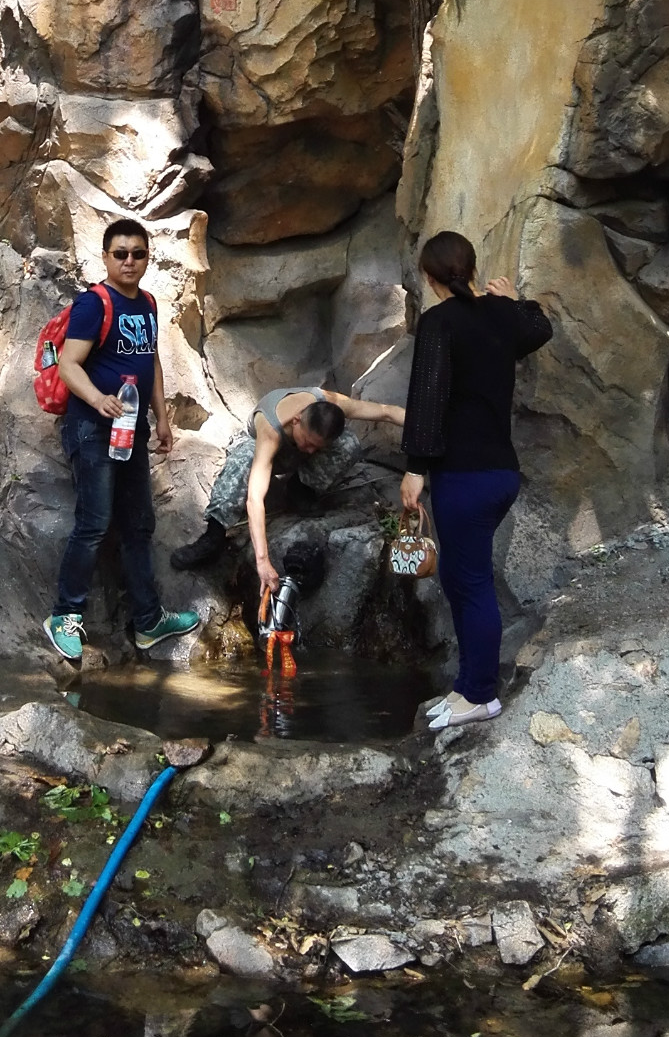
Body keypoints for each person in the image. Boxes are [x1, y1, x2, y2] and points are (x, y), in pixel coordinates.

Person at [400, 230, 553, 732]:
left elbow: (427, 399)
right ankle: (467, 687)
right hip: (500, 473)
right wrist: (513, 300)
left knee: (471, 584)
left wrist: (414, 469)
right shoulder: (501, 315)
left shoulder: (439, 322)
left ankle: (482, 694)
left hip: (464, 477)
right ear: (471, 268)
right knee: (460, 581)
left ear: (429, 277)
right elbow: (539, 328)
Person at [44, 219, 200, 663]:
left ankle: (148, 622)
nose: (129, 261)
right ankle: (64, 615)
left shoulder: (148, 303)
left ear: (147, 257)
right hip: (92, 427)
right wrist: (99, 400)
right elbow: (70, 364)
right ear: (106, 257)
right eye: (120, 253)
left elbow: (150, 360)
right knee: (93, 523)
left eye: (138, 253)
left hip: (133, 429)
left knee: (138, 524)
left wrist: (163, 418)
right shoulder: (94, 303)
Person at [171, 384, 406, 576]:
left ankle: (301, 489)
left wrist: (428, 430)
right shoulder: (271, 428)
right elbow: (255, 498)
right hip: (264, 451)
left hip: (293, 455)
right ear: (296, 420)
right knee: (243, 459)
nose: (311, 451)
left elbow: (386, 411)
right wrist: (263, 562)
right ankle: (213, 536)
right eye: (309, 442)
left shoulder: (329, 402)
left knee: (349, 444)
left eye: (317, 447)